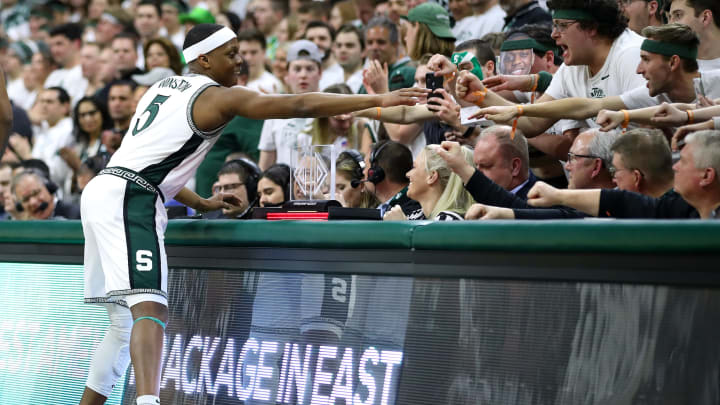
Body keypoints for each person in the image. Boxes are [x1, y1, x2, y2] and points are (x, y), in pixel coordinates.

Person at [78, 23, 424, 405]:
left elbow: (148, 160)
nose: (240, 60)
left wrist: (200, 202)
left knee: (123, 326)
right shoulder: (218, 98)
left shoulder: (159, 88)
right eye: (230, 54)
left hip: (105, 187)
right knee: (151, 306)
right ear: (204, 59)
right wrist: (378, 101)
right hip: (132, 197)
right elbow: (299, 104)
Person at [525, 129, 720, 218]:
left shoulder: (678, 210)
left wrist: (558, 195)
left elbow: (623, 201)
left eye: (684, 162)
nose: (675, 167)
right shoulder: (678, 207)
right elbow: (622, 201)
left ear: (707, 176)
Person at [384, 143, 475, 220]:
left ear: (431, 176)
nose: (408, 174)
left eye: (414, 167)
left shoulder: (450, 220)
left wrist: (401, 227)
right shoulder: (415, 216)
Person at [667, 0, 720, 71]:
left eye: (678, 15)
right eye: (669, 17)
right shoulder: (670, 68)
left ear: (705, 18)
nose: (669, 25)